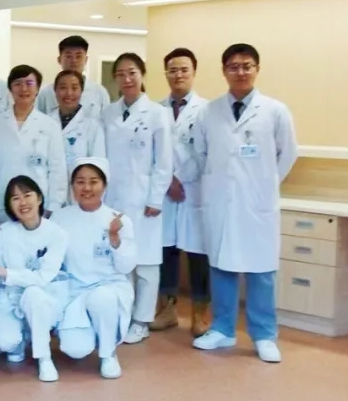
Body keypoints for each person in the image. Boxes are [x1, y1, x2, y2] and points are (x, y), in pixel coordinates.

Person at [192, 43, 297, 363]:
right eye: (233, 66)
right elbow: (200, 154)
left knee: (260, 272)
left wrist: (263, 183)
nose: (240, 72)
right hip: (221, 202)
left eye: (246, 66)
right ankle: (222, 329)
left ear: (257, 69)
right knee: (221, 267)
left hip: (257, 203)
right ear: (224, 71)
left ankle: (264, 335)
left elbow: (288, 154)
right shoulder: (209, 111)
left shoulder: (275, 111)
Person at [100, 53, 172, 345]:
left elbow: (164, 162)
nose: (127, 79)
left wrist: (156, 198)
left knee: (146, 264)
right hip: (113, 200)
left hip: (144, 201)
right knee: (120, 261)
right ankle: (123, 315)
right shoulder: (108, 113)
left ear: (142, 75)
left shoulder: (157, 113)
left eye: (132, 73)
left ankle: (142, 320)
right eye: (120, 74)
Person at [53, 157, 136, 379]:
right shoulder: (60, 217)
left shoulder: (118, 220)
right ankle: (90, 332)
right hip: (74, 291)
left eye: (93, 181)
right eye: (80, 182)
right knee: (75, 349)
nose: (87, 188)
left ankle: (108, 354)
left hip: (108, 287)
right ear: (72, 186)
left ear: (104, 185)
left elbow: (126, 266)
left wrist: (115, 238)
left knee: (102, 299)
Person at [0, 176, 69, 382]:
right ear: (9, 205)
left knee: (33, 293)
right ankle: (22, 338)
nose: (22, 202)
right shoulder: (4, 232)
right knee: (4, 342)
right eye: (15, 198)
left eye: (27, 195)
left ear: (39, 198)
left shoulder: (57, 234)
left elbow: (43, 277)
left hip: (44, 297)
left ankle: (44, 358)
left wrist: (5, 273)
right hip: (10, 298)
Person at [153, 48, 212, 336]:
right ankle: (167, 310)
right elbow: (153, 153)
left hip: (194, 192)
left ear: (194, 72)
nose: (178, 75)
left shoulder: (207, 111)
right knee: (166, 252)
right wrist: (168, 181)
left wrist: (181, 179)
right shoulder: (156, 110)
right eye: (172, 70)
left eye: (184, 70)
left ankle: (201, 314)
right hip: (166, 192)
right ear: (165, 73)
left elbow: (207, 154)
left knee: (198, 255)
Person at [0, 65, 67, 232]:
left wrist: (54, 205)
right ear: (10, 89)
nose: (24, 89)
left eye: (29, 83)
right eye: (18, 84)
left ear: (38, 88)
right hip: (0, 198)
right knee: (1, 244)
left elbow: (57, 168)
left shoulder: (49, 125)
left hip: (36, 203)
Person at [49, 70, 106, 179]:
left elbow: (97, 166)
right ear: (55, 90)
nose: (69, 93)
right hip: (50, 186)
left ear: (81, 91)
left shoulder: (93, 126)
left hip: (81, 187)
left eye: (74, 88)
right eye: (63, 88)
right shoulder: (45, 122)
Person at [36, 35, 112, 117]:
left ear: (86, 60)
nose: (74, 60)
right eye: (68, 56)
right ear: (59, 59)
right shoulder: (45, 93)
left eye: (78, 56)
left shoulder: (99, 92)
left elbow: (106, 120)